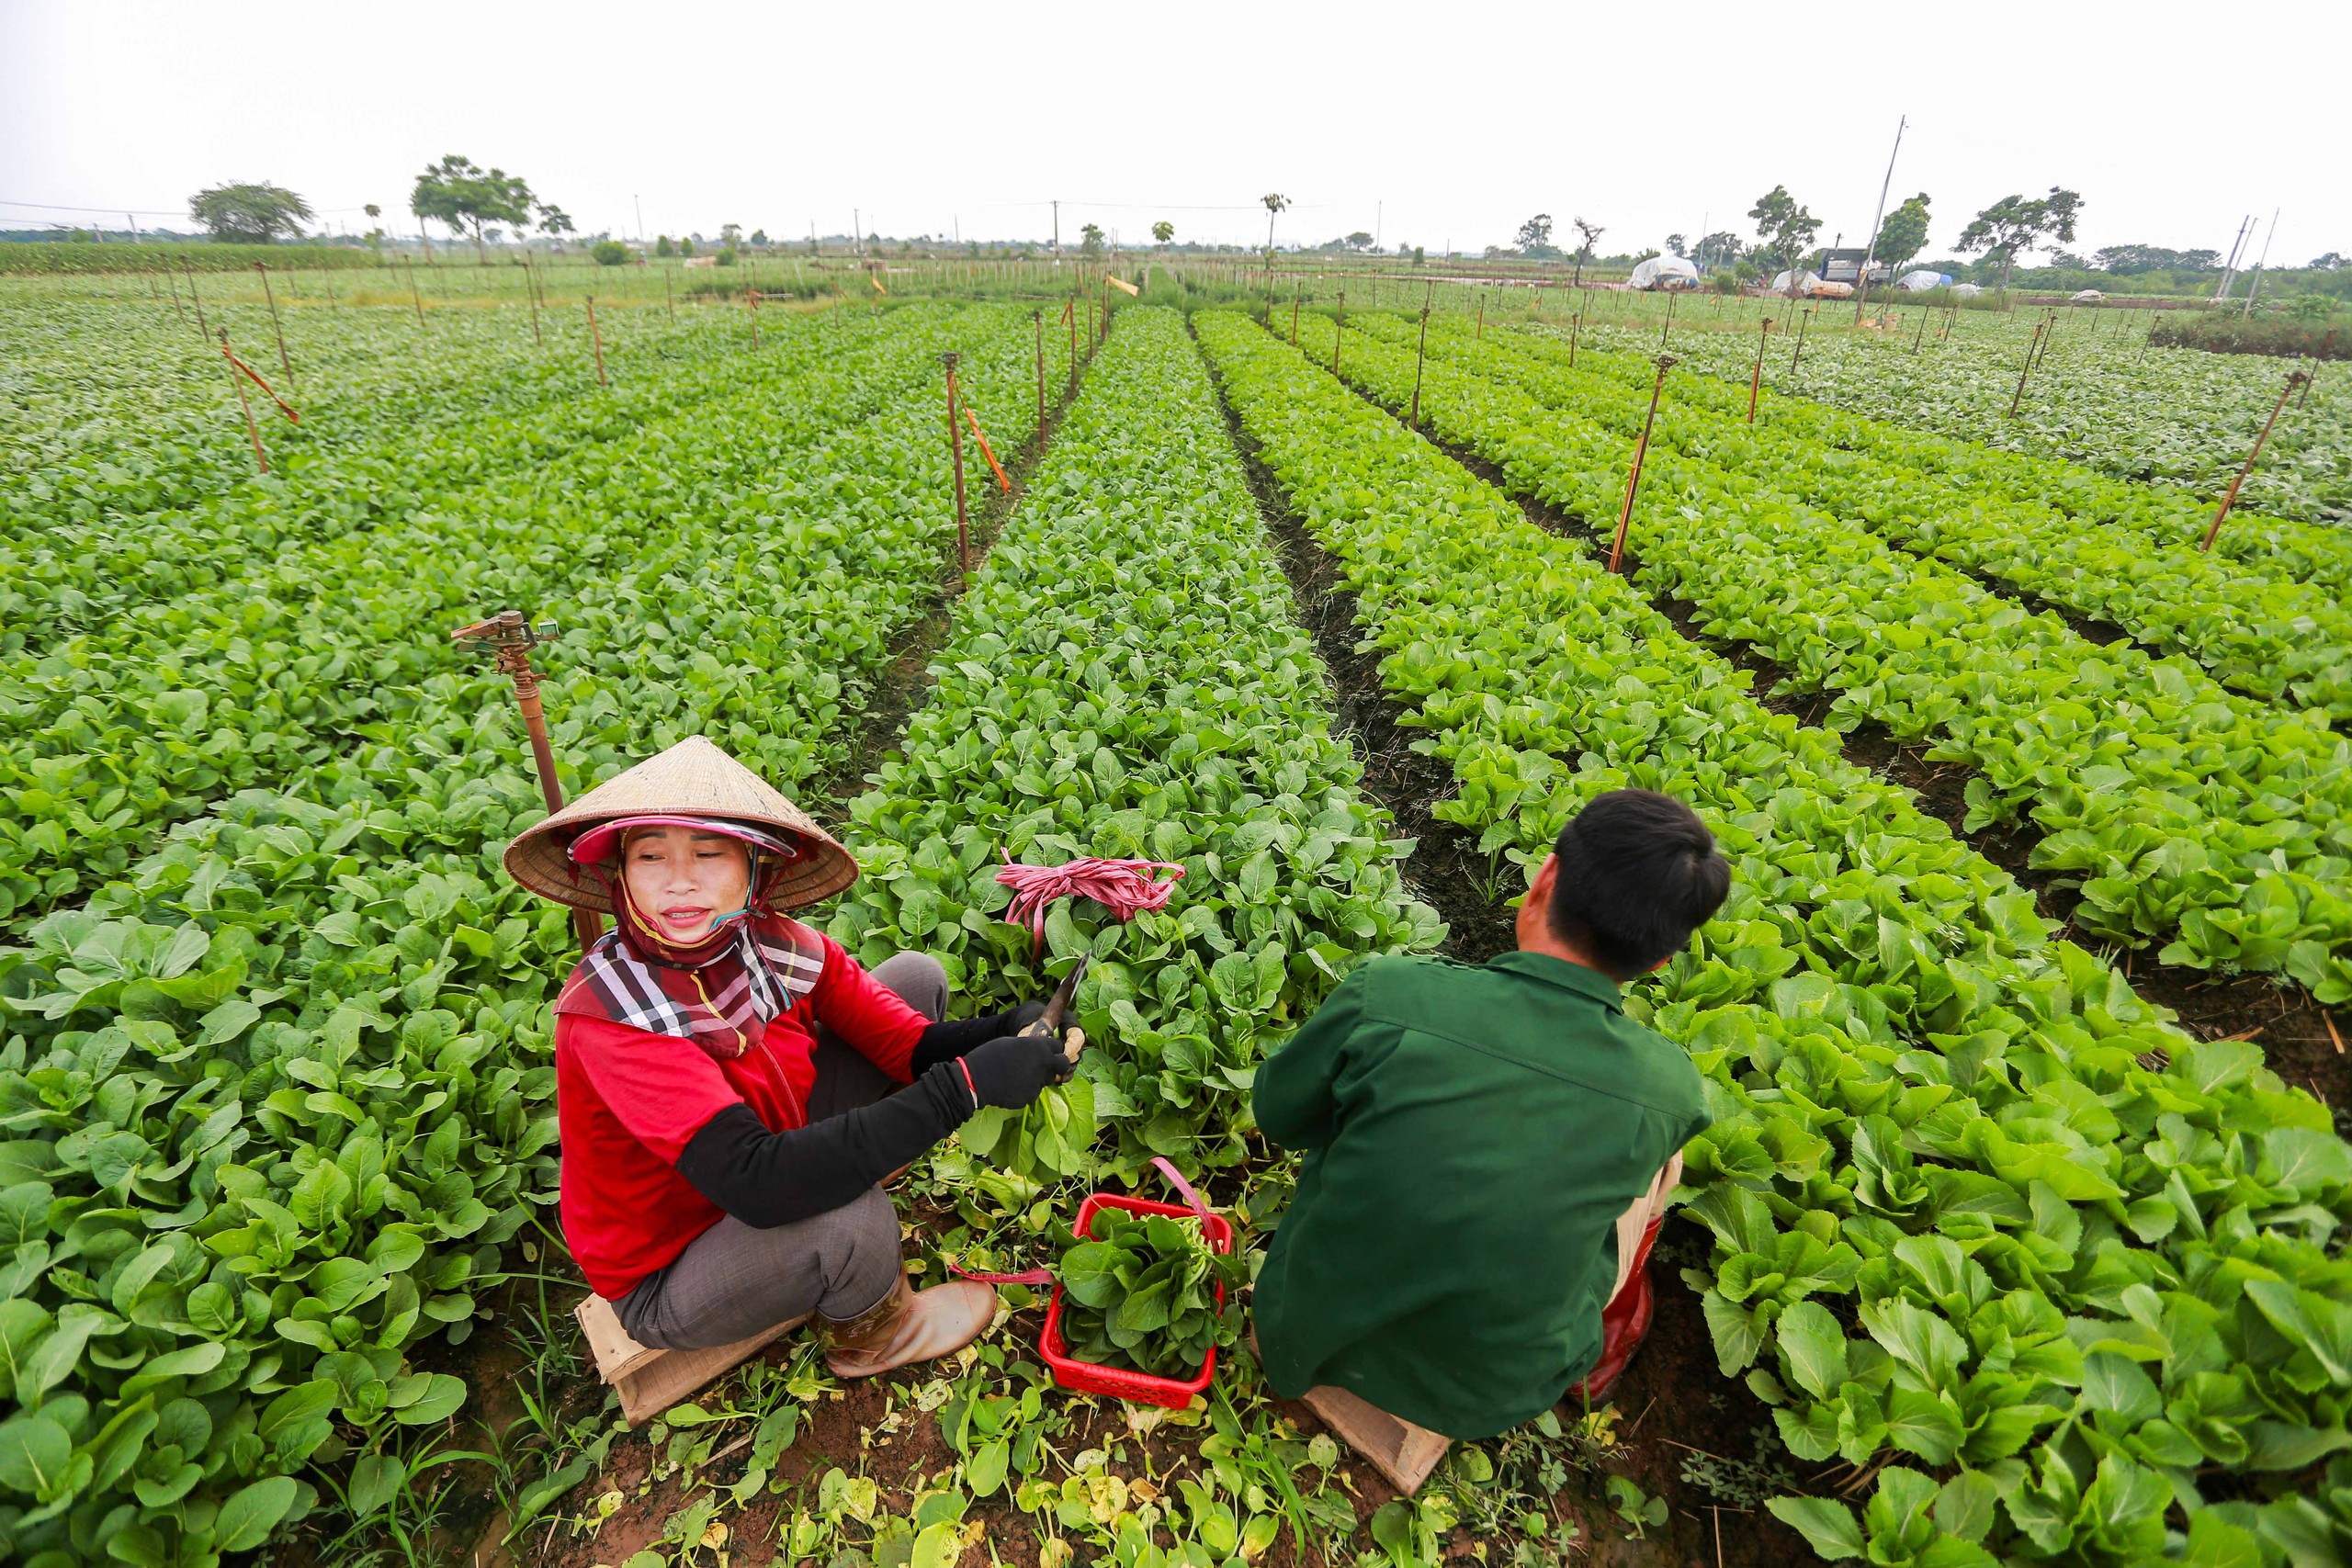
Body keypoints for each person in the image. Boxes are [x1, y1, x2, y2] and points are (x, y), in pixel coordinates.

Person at [503, 735, 1080, 1378]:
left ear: (754, 865)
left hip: (765, 1141)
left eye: (708, 852)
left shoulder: (773, 944)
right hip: (671, 1262)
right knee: (849, 1217)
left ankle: (835, 1174)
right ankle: (873, 1330)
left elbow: (908, 1044)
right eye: (650, 856)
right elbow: (760, 1181)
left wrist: (1006, 1028)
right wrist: (965, 1088)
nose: (680, 881)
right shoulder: (614, 1019)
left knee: (915, 977)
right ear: (621, 874)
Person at [1249, 788, 1731, 1472]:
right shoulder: (1671, 1088)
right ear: (1659, 961)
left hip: (1303, 1331)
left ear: (1546, 878)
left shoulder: (1389, 995)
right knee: (1657, 1172)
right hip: (1490, 1393)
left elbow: (1278, 1114)